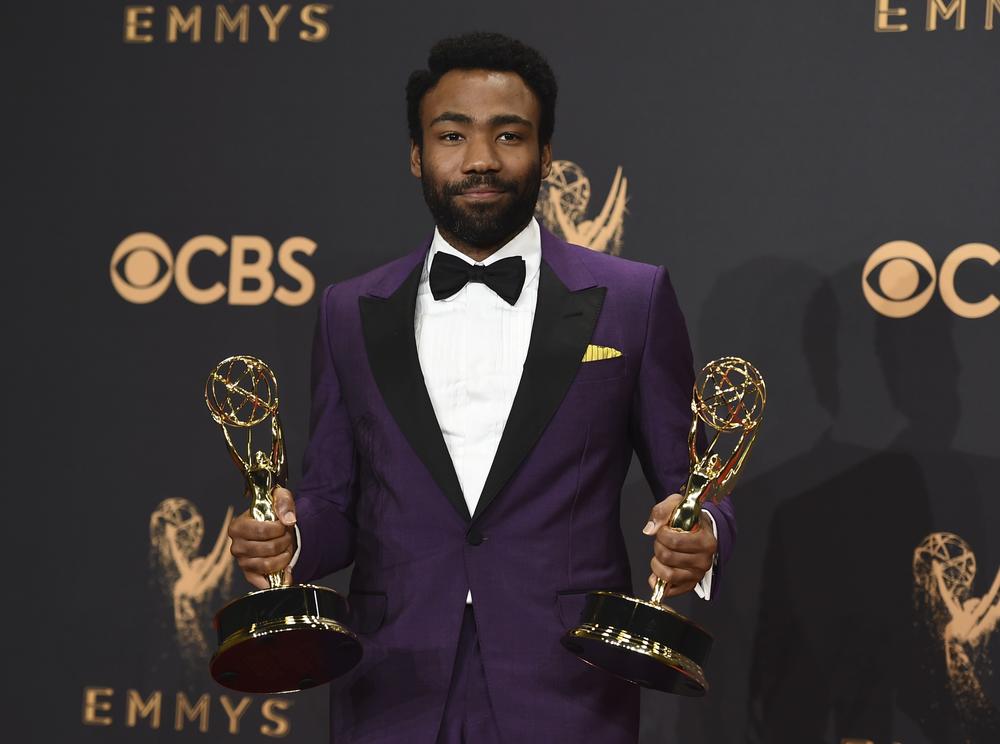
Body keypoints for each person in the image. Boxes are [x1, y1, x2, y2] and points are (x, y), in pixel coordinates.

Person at [228, 31, 734, 743]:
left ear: (547, 153)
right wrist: (287, 537)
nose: (481, 160)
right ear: (417, 155)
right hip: (393, 676)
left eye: (509, 135)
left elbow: (694, 480)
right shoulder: (350, 308)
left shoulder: (633, 299)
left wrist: (702, 530)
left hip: (567, 681)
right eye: (452, 135)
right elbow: (337, 498)